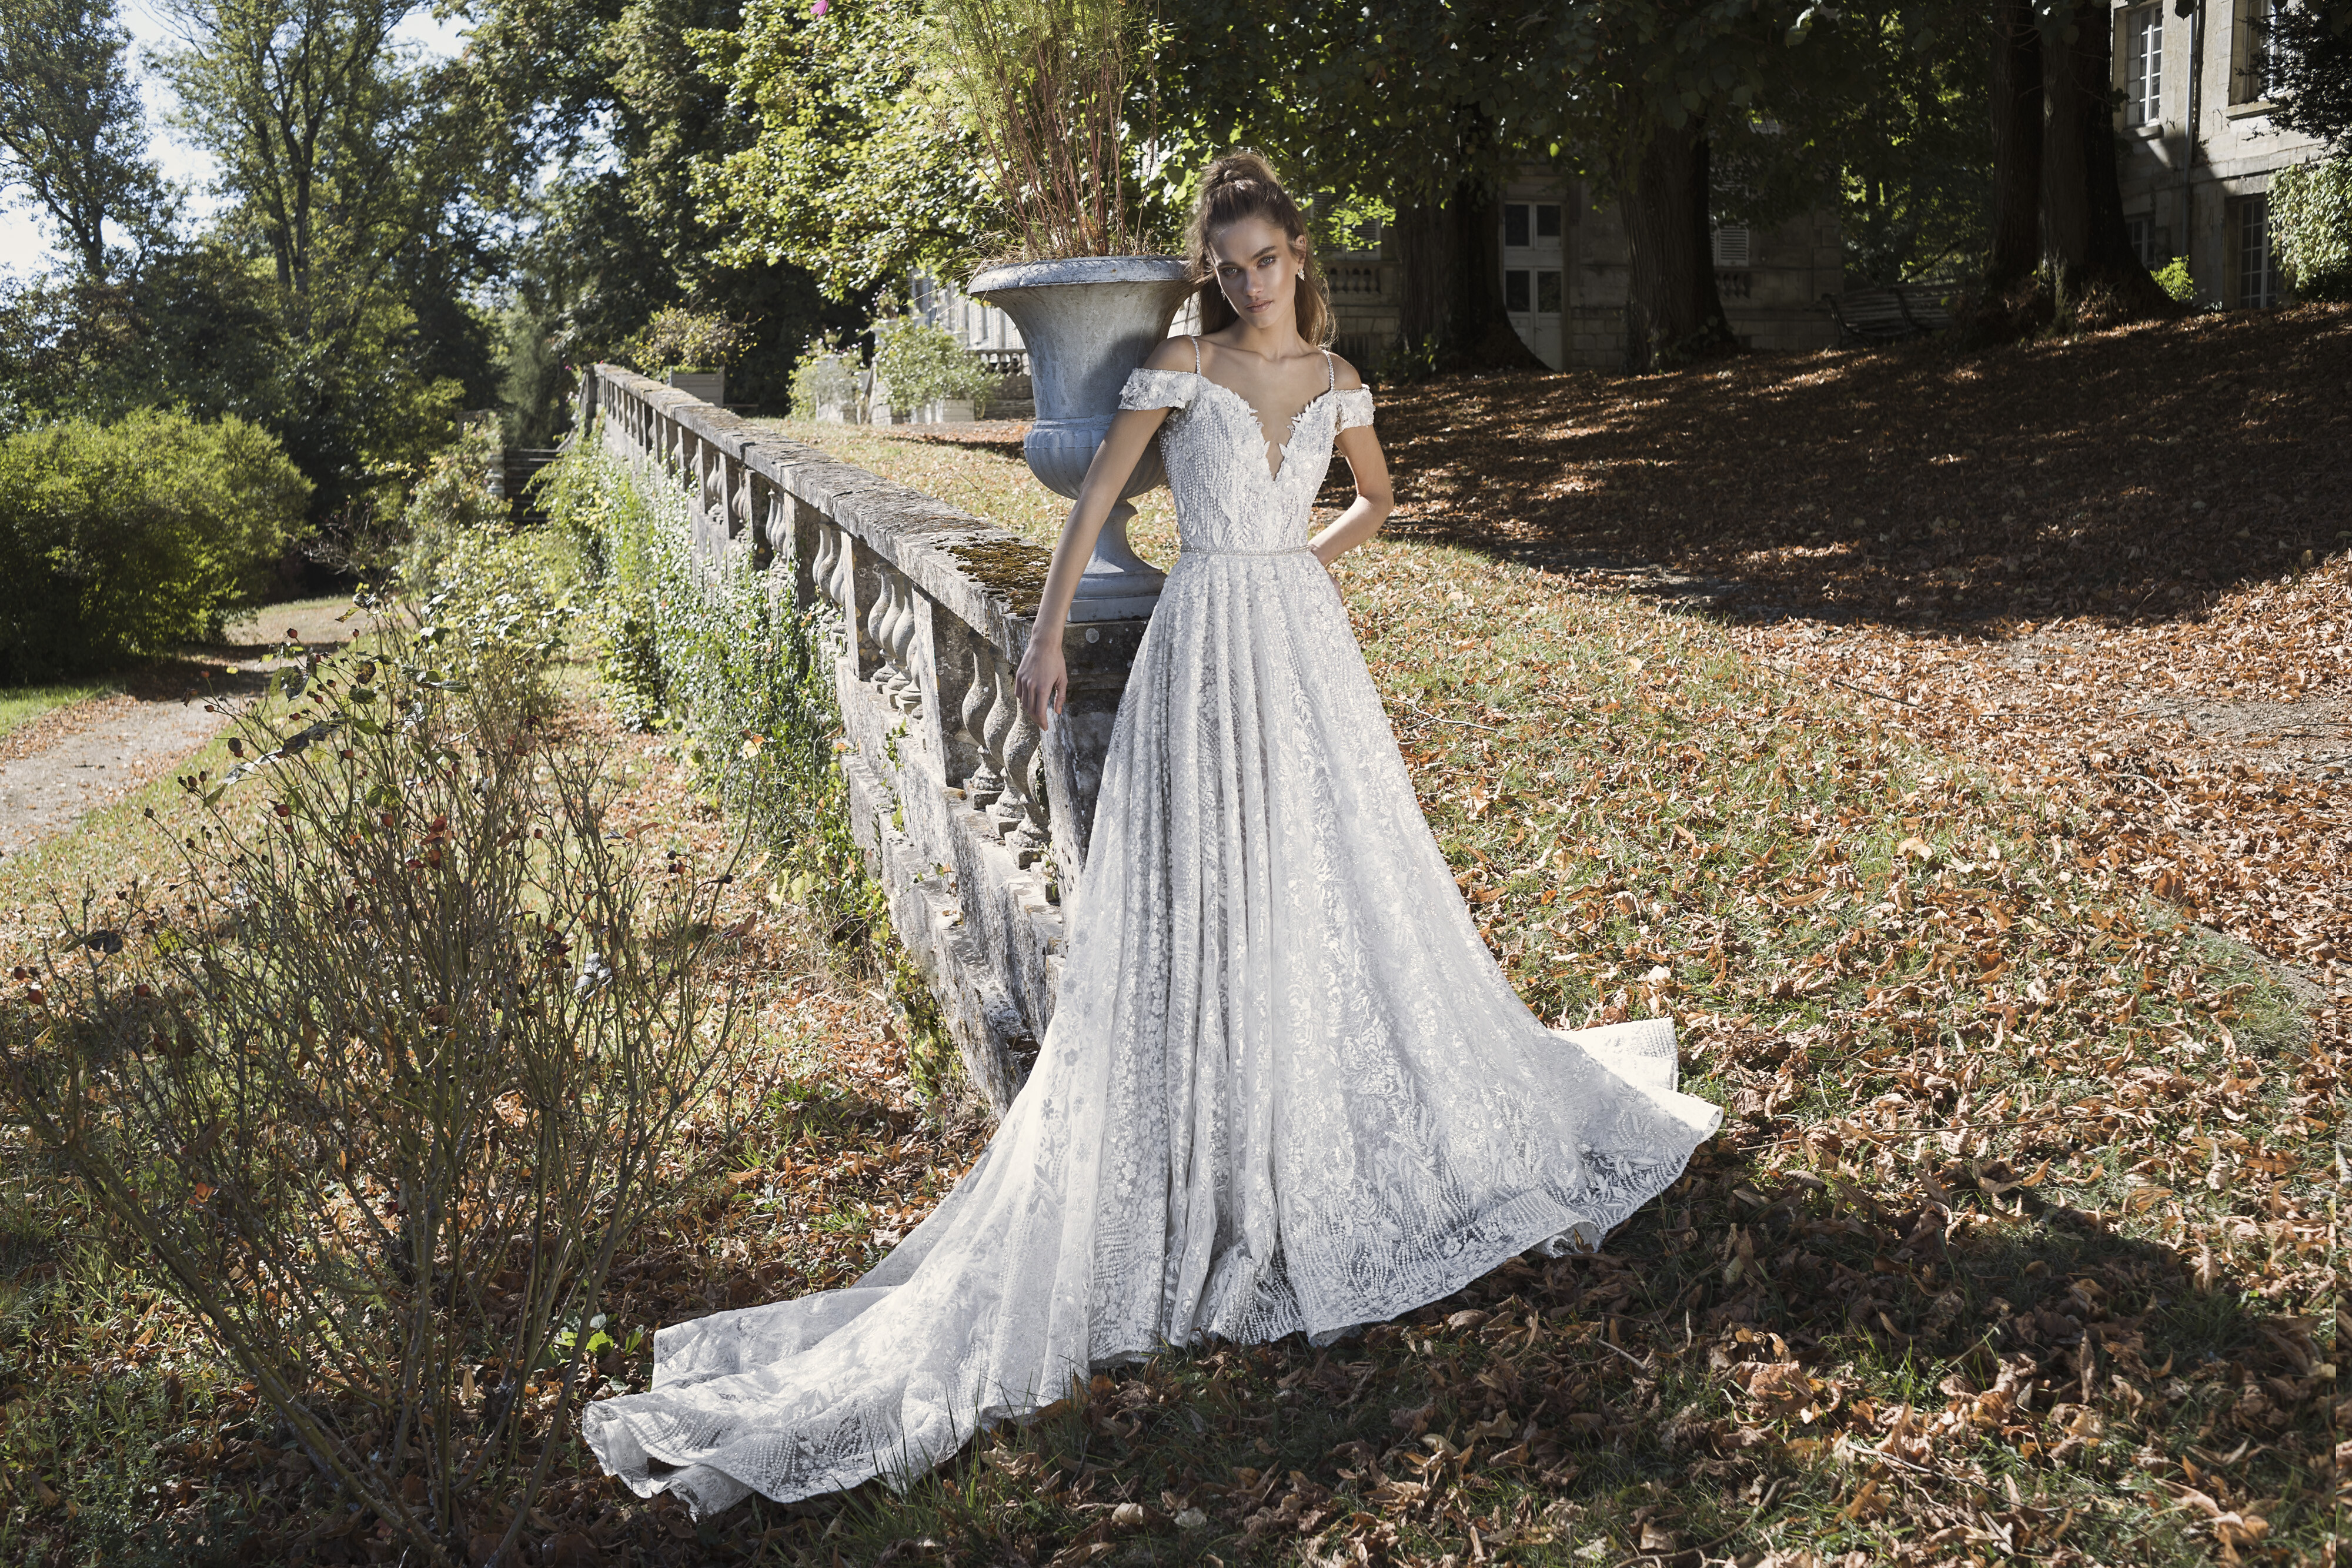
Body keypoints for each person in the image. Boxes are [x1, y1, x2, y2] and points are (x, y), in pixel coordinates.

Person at [582, 151, 1721, 1516]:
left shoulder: (1341, 381)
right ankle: (1217, 1133)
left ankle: (1302, 1114)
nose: (1247, 283)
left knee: (1320, 875)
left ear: (1297, 253)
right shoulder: (1179, 365)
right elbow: (1090, 502)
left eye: (1264, 260)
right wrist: (1046, 634)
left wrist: (1299, 564)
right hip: (1198, 647)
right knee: (1203, 886)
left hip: (1298, 642)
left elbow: (1378, 498)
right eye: (1226, 267)